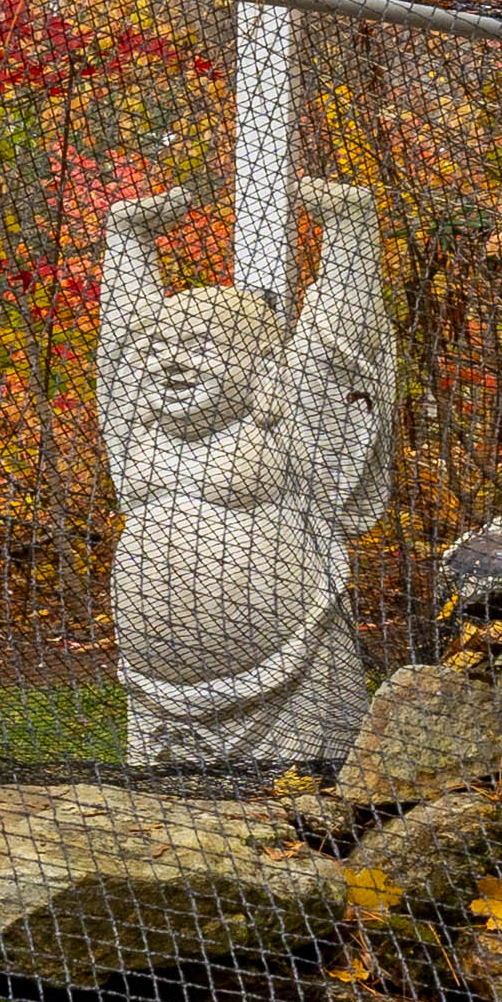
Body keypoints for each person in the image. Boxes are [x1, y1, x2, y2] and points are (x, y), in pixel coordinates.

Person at [97, 175, 394, 772]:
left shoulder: (288, 430)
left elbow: (337, 342)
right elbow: (120, 347)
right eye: (161, 347)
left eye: (199, 345)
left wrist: (349, 231)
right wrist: (128, 240)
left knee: (296, 805)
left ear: (264, 368)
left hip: (291, 682)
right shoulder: (140, 430)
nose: (169, 361)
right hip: (158, 699)